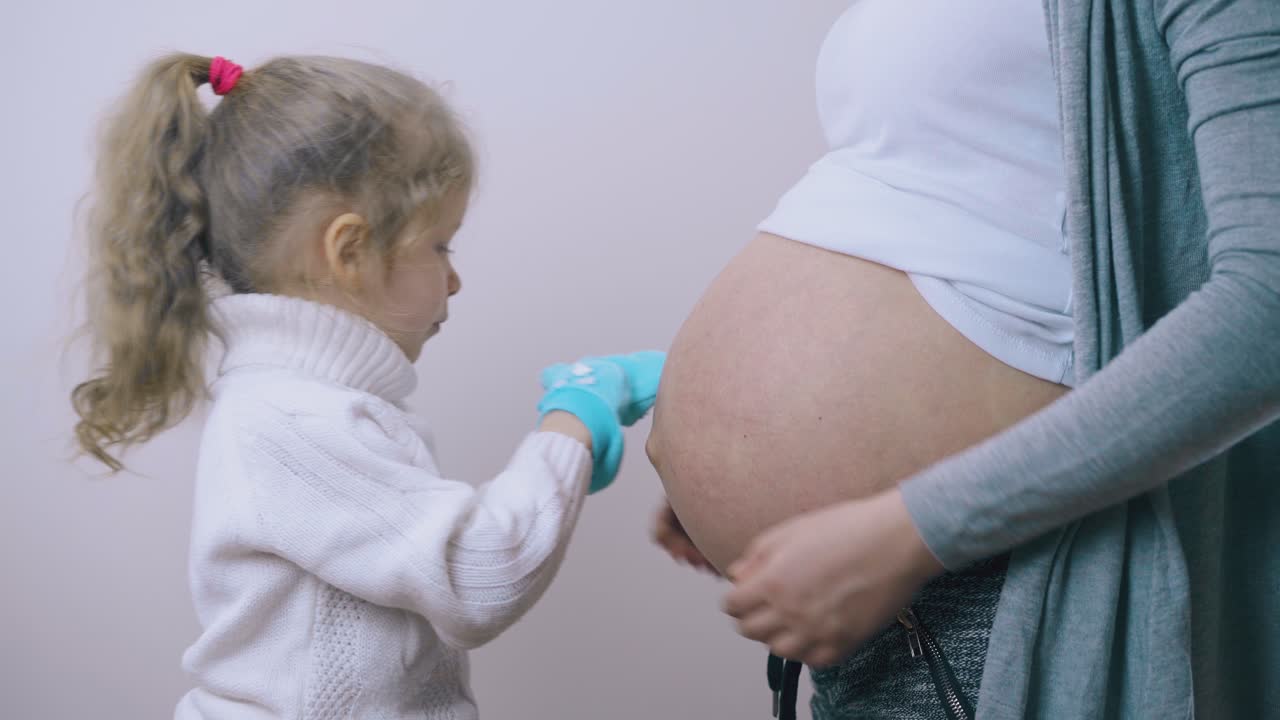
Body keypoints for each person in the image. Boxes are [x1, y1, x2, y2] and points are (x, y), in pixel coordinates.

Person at [648, 1, 1280, 718]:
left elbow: (1268, 307)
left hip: (1001, 555)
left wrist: (915, 526)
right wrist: (741, 459)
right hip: (877, 576)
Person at [70, 52, 663, 719]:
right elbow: (480, 572)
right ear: (348, 251)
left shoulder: (307, 408)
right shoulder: (293, 421)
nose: (455, 280)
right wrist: (574, 416)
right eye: (442, 245)